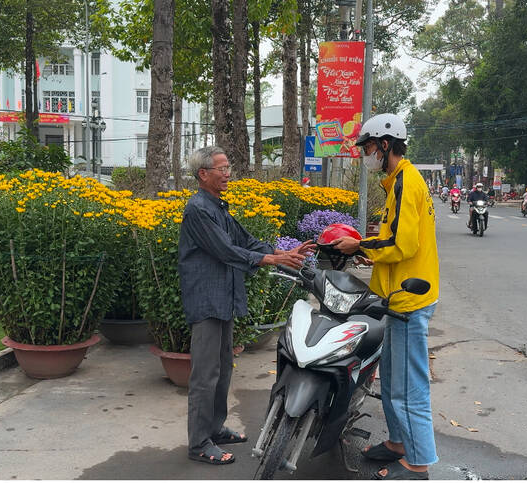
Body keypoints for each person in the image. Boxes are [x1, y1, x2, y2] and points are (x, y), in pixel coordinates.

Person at [178, 146, 314, 465]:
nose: (228, 174)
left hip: (223, 299)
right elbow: (226, 251)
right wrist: (272, 258)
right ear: (203, 174)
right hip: (207, 301)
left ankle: (214, 428)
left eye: (228, 169)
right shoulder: (198, 209)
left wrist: (288, 250)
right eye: (222, 169)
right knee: (205, 375)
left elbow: (246, 241)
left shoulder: (218, 206)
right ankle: (199, 442)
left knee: (224, 368)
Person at [328, 113, 440, 480]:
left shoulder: (407, 181)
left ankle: (419, 462)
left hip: (411, 299)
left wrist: (360, 242)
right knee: (391, 378)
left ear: (386, 145)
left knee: (409, 387)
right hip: (397, 297)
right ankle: (397, 443)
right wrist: (369, 251)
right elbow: (392, 240)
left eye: (370, 147)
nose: (367, 154)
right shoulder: (397, 182)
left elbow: (403, 244)